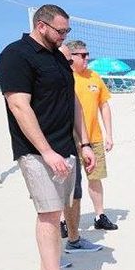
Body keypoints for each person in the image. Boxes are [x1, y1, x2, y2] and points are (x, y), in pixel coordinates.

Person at [0, 4, 96, 270]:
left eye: (67, 31)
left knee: (59, 210)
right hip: (37, 151)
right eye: (60, 30)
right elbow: (19, 107)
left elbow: (74, 100)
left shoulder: (58, 56)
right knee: (49, 214)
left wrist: (85, 143)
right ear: (41, 26)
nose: (65, 36)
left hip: (65, 147)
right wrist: (47, 151)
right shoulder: (16, 55)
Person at [55, 44, 103, 254]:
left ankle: (75, 238)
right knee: (55, 195)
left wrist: (85, 143)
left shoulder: (78, 79)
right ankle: (53, 259)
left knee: (77, 189)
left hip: (80, 142)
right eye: (81, 56)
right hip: (53, 145)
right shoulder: (55, 78)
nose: (86, 59)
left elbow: (84, 108)